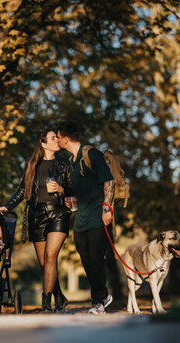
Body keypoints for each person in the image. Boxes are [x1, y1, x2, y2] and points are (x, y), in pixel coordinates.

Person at [0, 129, 72, 312]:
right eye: (53, 138)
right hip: (36, 216)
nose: (57, 140)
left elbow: (73, 189)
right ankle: (60, 296)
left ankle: (46, 302)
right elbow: (23, 190)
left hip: (58, 213)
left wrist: (61, 189)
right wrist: (7, 206)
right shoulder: (31, 164)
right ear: (43, 143)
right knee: (44, 263)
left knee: (50, 257)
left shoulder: (64, 163)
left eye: (57, 137)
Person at [56, 121, 115, 314]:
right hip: (81, 219)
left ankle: (98, 303)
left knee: (97, 259)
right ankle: (104, 295)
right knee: (85, 257)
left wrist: (107, 208)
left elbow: (109, 180)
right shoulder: (72, 161)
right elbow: (80, 188)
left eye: (57, 137)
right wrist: (69, 197)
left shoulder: (91, 154)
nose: (56, 140)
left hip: (98, 216)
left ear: (65, 139)